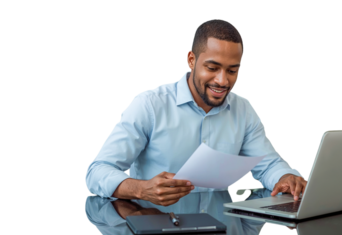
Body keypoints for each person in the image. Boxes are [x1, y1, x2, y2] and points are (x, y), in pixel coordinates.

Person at [84, 18, 307, 207]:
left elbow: (269, 165)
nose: (222, 81)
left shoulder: (244, 109)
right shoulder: (149, 104)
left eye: (232, 71)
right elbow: (96, 172)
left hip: (222, 231)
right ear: (191, 60)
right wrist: (141, 189)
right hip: (157, 230)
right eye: (212, 68)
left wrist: (287, 177)